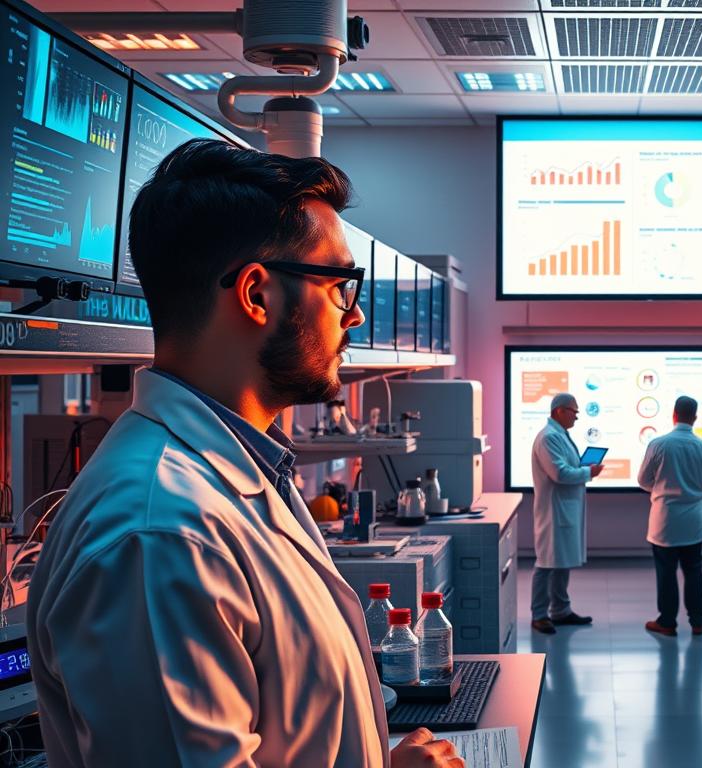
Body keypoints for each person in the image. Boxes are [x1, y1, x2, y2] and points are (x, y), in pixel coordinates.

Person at [26, 139, 462, 767]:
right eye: (340, 286)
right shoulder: (160, 534)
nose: (357, 315)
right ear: (257, 294)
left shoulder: (242, 476)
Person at [637, 396, 702, 637]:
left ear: (673, 415)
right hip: (694, 519)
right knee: (694, 570)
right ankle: (697, 621)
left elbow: (643, 480)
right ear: (694, 418)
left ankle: (667, 622)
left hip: (665, 519)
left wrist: (662, 490)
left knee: (666, 572)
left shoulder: (659, 444)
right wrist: (693, 495)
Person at [531, 392, 604, 635]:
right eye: (574, 411)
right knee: (546, 563)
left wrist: (584, 469)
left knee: (560, 564)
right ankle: (539, 615)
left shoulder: (559, 434)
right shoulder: (548, 438)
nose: (576, 416)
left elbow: (567, 468)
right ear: (559, 410)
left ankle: (560, 611)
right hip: (553, 512)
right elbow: (560, 474)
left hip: (564, 509)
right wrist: (588, 473)